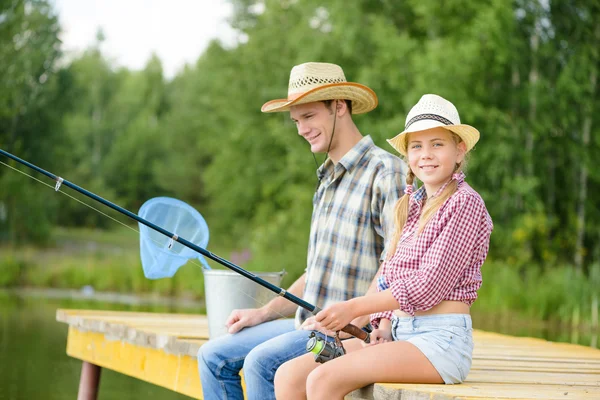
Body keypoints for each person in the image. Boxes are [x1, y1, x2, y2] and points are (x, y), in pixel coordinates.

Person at [197, 62, 406, 400]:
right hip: (305, 324)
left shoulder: (387, 172)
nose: (301, 129)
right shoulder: (326, 180)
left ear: (339, 106)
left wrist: (351, 316)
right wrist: (262, 313)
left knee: (261, 364)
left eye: (308, 117)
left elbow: (395, 266)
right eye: (296, 120)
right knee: (212, 356)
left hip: (349, 333)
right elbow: (314, 275)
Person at [274, 94, 494, 400]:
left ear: (459, 150)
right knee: (289, 376)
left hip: (440, 343)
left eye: (437, 144)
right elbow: (392, 274)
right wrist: (384, 323)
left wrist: (352, 308)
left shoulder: (465, 203)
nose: (426, 155)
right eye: (416, 146)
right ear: (408, 156)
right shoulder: (411, 205)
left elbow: (427, 286)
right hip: (401, 333)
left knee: (324, 380)